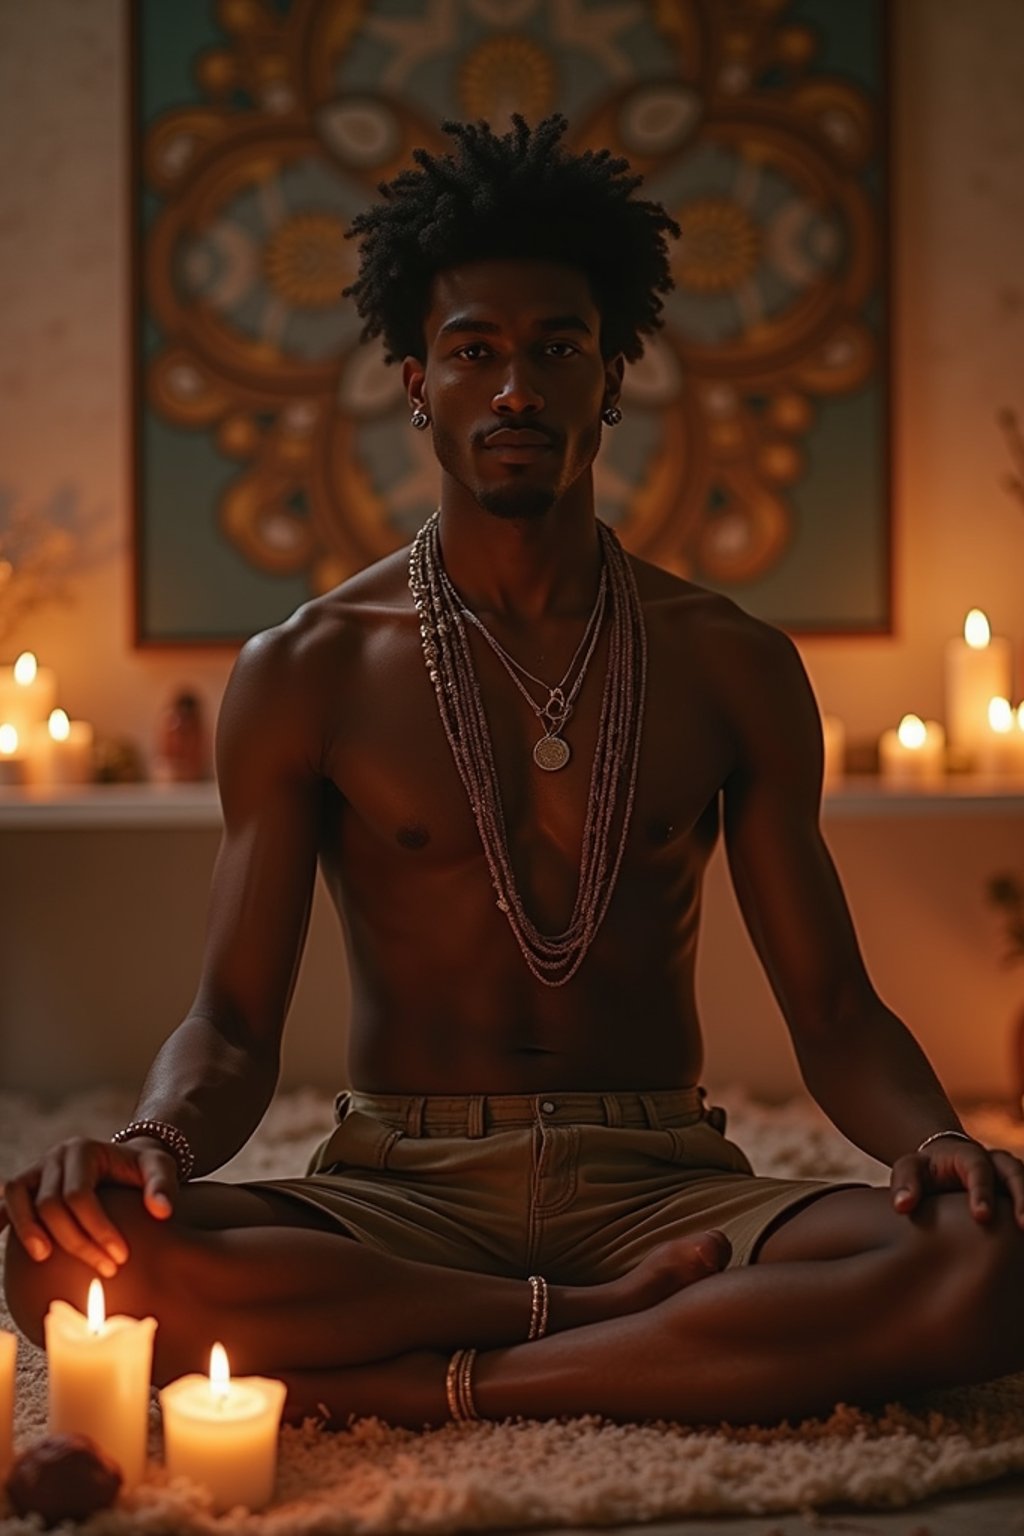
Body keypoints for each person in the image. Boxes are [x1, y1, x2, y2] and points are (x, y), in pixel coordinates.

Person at [4, 115, 1024, 1432]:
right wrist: (149, 1146)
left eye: (558, 350)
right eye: (476, 352)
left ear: (613, 376)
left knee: (987, 1265)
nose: (517, 390)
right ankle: (605, 1331)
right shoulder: (307, 666)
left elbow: (832, 1013)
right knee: (55, 1259)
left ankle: (437, 1382)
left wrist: (933, 1140)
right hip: (399, 1182)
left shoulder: (732, 663)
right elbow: (235, 1028)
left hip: (664, 1175)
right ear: (418, 383)